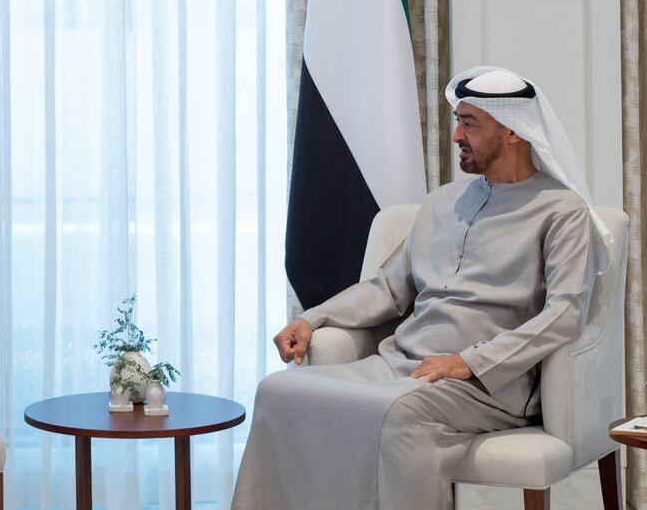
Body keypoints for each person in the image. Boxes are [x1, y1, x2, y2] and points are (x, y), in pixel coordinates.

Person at [231, 66, 612, 510]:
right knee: (278, 391)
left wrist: (470, 361)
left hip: (487, 384)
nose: (456, 136)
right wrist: (311, 318)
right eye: (457, 121)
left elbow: (565, 314)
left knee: (401, 413)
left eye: (469, 123)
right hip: (402, 365)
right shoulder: (442, 203)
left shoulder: (561, 212)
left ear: (513, 131)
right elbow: (386, 289)